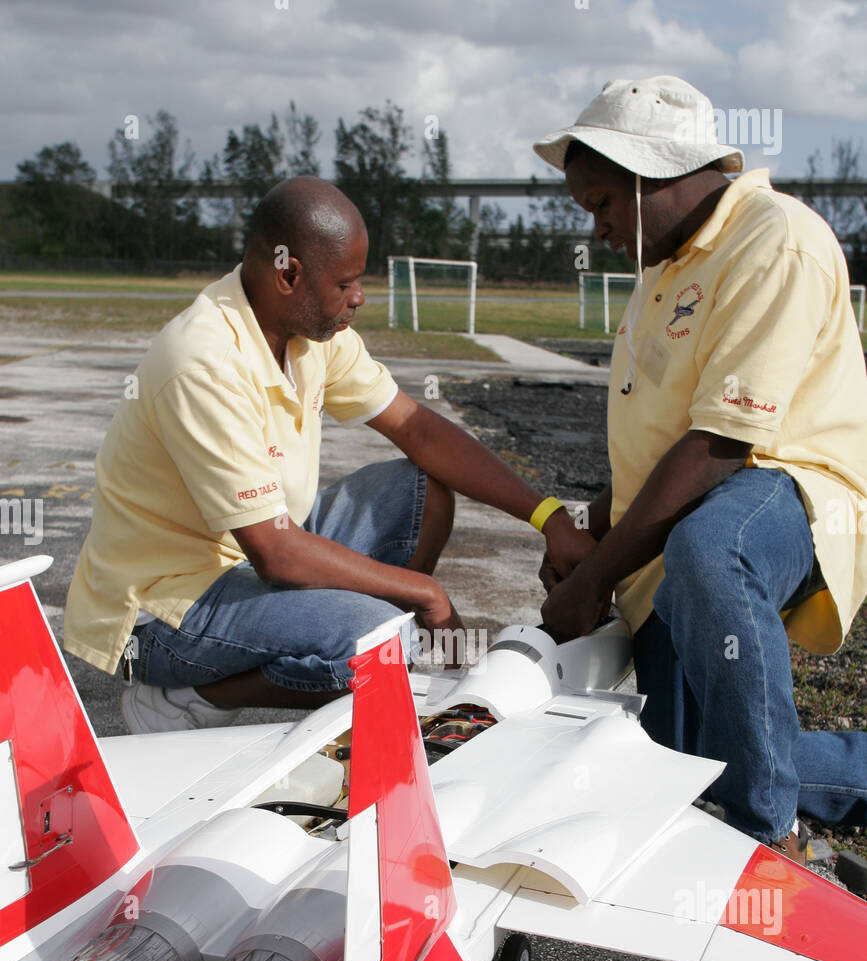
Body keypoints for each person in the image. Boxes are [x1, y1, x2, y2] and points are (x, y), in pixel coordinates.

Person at [64, 176, 585, 732]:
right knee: (382, 639)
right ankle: (192, 696)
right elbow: (277, 555)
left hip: (249, 555)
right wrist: (423, 594)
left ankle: (360, 664)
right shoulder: (204, 360)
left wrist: (548, 517)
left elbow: (420, 432)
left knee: (423, 489)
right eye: (346, 282)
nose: (359, 297)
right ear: (288, 273)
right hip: (166, 607)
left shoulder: (311, 331)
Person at [532, 76, 867, 862]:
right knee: (684, 769)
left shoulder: (773, 238)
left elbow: (719, 445)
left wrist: (591, 583)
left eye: (602, 204)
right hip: (683, 522)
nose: (600, 227)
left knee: (712, 551)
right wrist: (597, 530)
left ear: (649, 174)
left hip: (791, 486)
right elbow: (660, 432)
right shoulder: (660, 265)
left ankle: (769, 838)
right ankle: (804, 777)